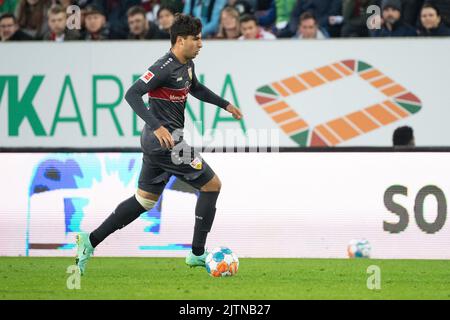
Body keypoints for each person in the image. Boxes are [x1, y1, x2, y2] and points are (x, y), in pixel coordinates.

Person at [75, 13, 243, 275]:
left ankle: (90, 240)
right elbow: (132, 94)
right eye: (196, 39)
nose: (201, 44)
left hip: (160, 144)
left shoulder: (187, 64)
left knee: (144, 201)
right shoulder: (164, 66)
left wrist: (225, 105)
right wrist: (157, 125)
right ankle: (197, 253)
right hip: (167, 143)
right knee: (212, 185)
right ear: (179, 41)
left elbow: (195, 88)